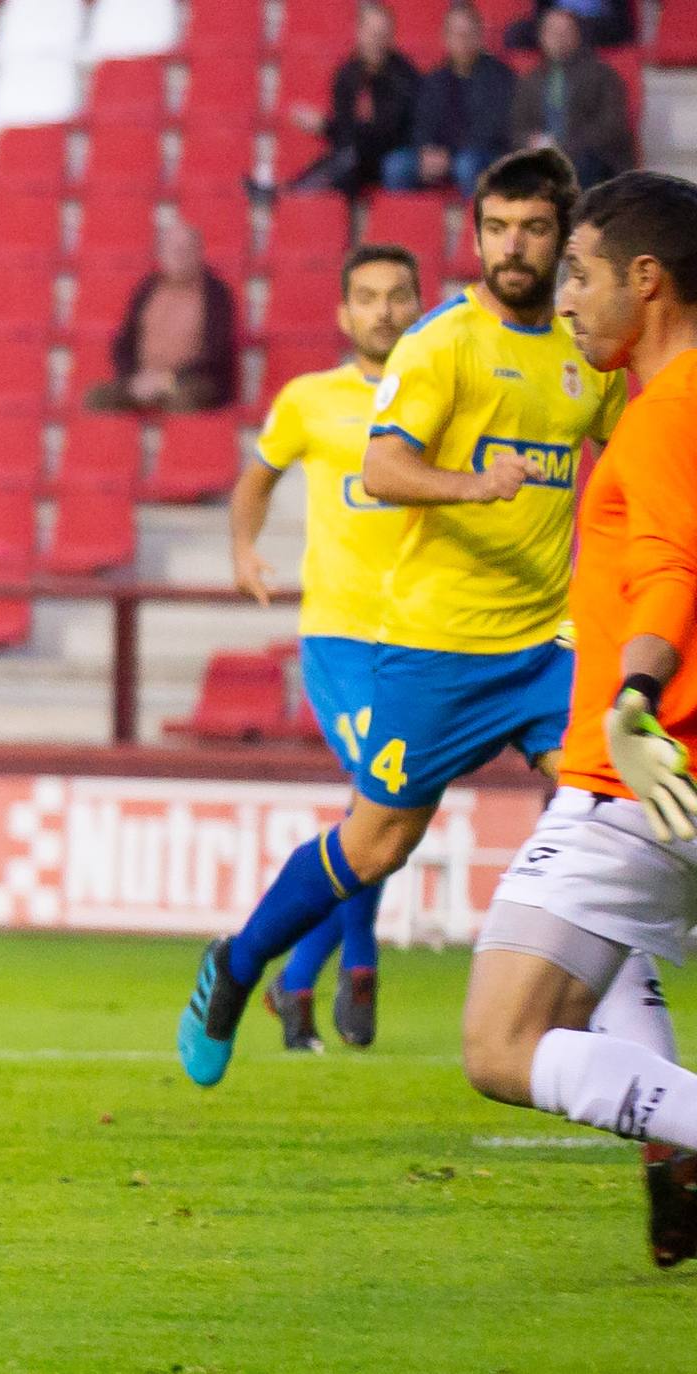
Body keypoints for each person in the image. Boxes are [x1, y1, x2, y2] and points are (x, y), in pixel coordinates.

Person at [177, 150, 627, 1092]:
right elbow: (384, 470)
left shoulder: (586, 353)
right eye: (497, 227)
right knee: (379, 842)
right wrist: (475, 484)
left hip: (544, 649)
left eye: (534, 228)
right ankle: (243, 961)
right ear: (475, 235)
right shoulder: (443, 343)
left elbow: (633, 461)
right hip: (431, 651)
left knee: (607, 813)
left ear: (564, 237)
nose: (513, 246)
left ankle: (616, 1063)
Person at [454, 170, 697, 1269]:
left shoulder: (662, 416)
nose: (565, 299)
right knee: (602, 986)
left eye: (582, 274)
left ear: (644, 283)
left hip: (639, 779)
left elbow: (668, 579)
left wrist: (635, 700)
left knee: (501, 1042)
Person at [226, 243, 427, 1051]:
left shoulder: (444, 395)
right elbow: (256, 478)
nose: (382, 310)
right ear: (344, 314)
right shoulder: (309, 399)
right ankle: (358, 964)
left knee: (379, 816)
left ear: (420, 306)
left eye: (398, 295)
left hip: (422, 639)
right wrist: (244, 550)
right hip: (341, 639)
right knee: (380, 806)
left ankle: (299, 978)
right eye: (367, 297)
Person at [84, 216, 241, 413]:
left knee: (182, 400)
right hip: (143, 378)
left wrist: (168, 379)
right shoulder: (147, 289)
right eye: (173, 249)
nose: (179, 256)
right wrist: (134, 378)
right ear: (161, 254)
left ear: (199, 252)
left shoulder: (217, 294)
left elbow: (217, 353)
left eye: (185, 249)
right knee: (97, 398)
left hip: (193, 380)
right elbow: (124, 342)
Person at [286, 4, 420, 195]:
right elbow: (345, 136)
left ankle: (293, 191)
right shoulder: (347, 75)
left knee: (354, 161)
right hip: (357, 157)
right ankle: (294, 191)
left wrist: (325, 126)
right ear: (359, 33)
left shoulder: (403, 77)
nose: (378, 43)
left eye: (383, 36)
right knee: (344, 160)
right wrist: (329, 128)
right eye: (373, 35)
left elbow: (385, 134)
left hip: (392, 154)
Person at [510, 9, 635, 187]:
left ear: (577, 35)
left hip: (592, 158)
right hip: (542, 158)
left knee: (574, 169)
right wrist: (530, 141)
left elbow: (612, 126)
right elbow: (517, 128)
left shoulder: (602, 75)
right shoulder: (530, 81)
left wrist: (564, 146)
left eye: (565, 31)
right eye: (552, 32)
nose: (558, 38)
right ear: (542, 37)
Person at [401, 4, 516, 197]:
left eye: (468, 34)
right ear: (445, 38)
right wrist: (425, 149)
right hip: (440, 154)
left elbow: (494, 129)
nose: (463, 41)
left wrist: (450, 154)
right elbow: (420, 122)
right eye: (456, 34)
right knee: (397, 166)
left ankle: (475, 223)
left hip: (483, 154)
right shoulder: (433, 80)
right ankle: (408, 224)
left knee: (466, 165)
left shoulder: (501, 77)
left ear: (480, 36)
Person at [506, 0, 637, 50]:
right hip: (556, 21)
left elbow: (620, 19)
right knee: (516, 33)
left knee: (574, 32)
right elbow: (541, 11)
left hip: (597, 24)